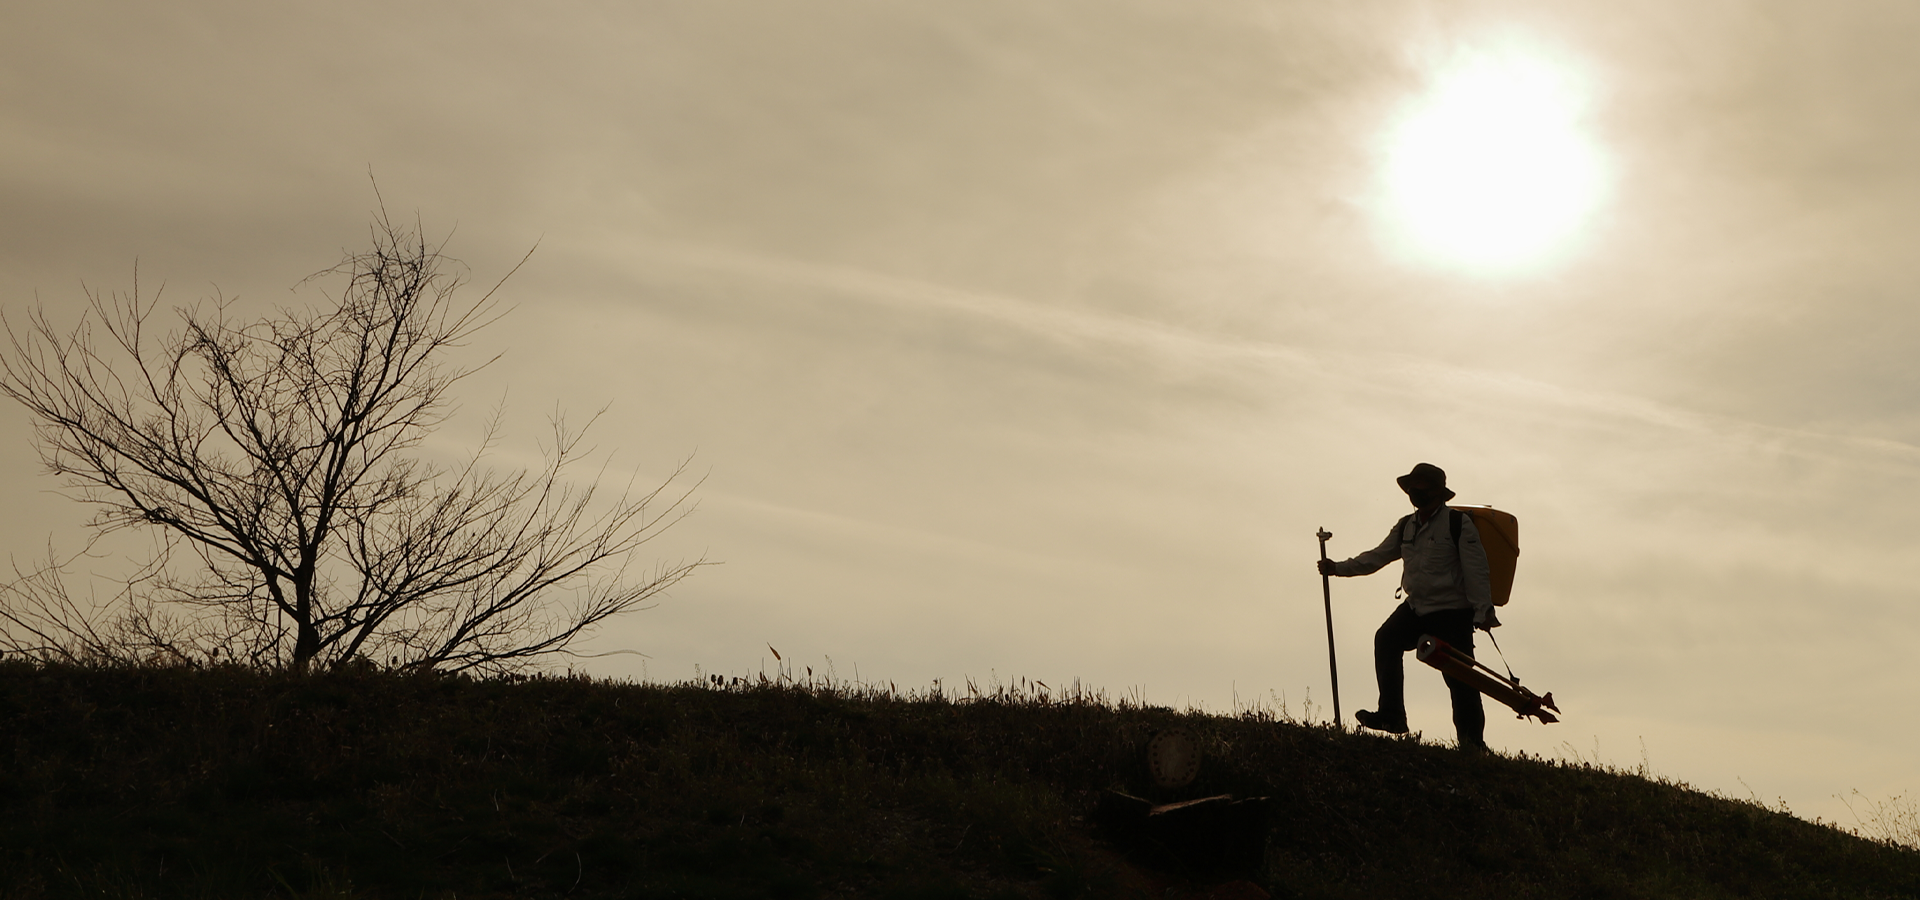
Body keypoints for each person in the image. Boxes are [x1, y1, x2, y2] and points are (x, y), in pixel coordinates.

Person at [1317, 463, 1498, 751]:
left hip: (1452, 612)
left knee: (1460, 678)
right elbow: (1377, 556)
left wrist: (1483, 610)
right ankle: (1392, 715)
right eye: (1413, 489)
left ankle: (1472, 744)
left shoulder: (1458, 523)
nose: (1416, 493)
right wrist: (1338, 568)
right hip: (1417, 608)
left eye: (1422, 488)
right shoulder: (1406, 526)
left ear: (1438, 493)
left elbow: (1476, 569)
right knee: (1386, 639)